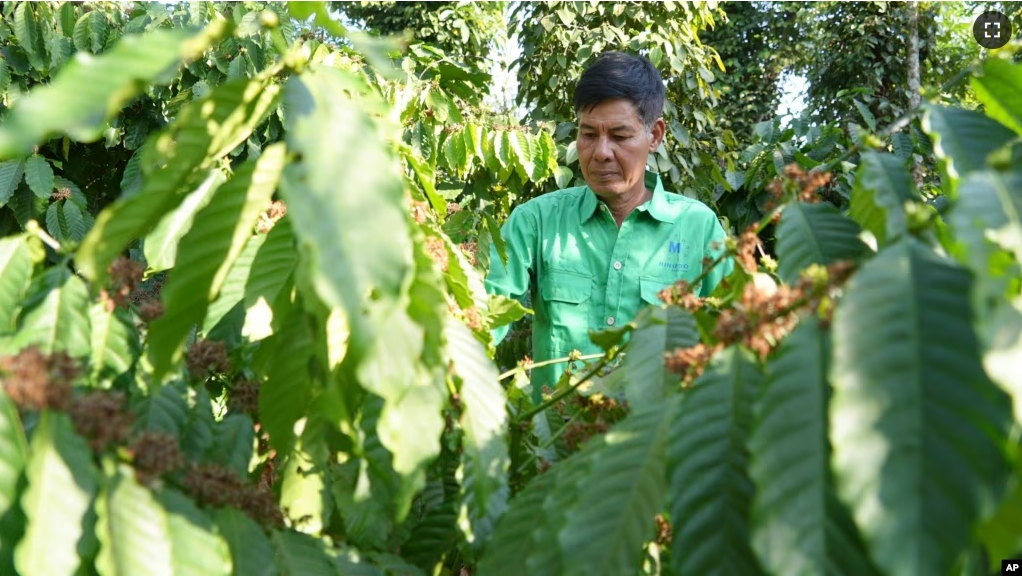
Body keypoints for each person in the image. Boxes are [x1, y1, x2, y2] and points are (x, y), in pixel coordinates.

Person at [485, 51, 733, 401]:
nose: (600, 152)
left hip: (655, 447)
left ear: (655, 135)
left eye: (619, 136)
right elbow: (487, 316)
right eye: (588, 134)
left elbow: (732, 339)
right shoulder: (536, 222)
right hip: (554, 447)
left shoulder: (699, 229)